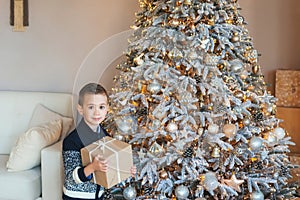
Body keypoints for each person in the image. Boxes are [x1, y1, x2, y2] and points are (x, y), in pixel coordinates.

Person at [62, 83, 136, 200]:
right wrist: (92, 167)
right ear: (81, 109)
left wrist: (125, 170)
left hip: (98, 195)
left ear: (107, 108)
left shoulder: (104, 136)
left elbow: (110, 164)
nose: (97, 112)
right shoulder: (72, 141)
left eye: (101, 107)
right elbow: (71, 178)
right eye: (91, 107)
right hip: (77, 197)